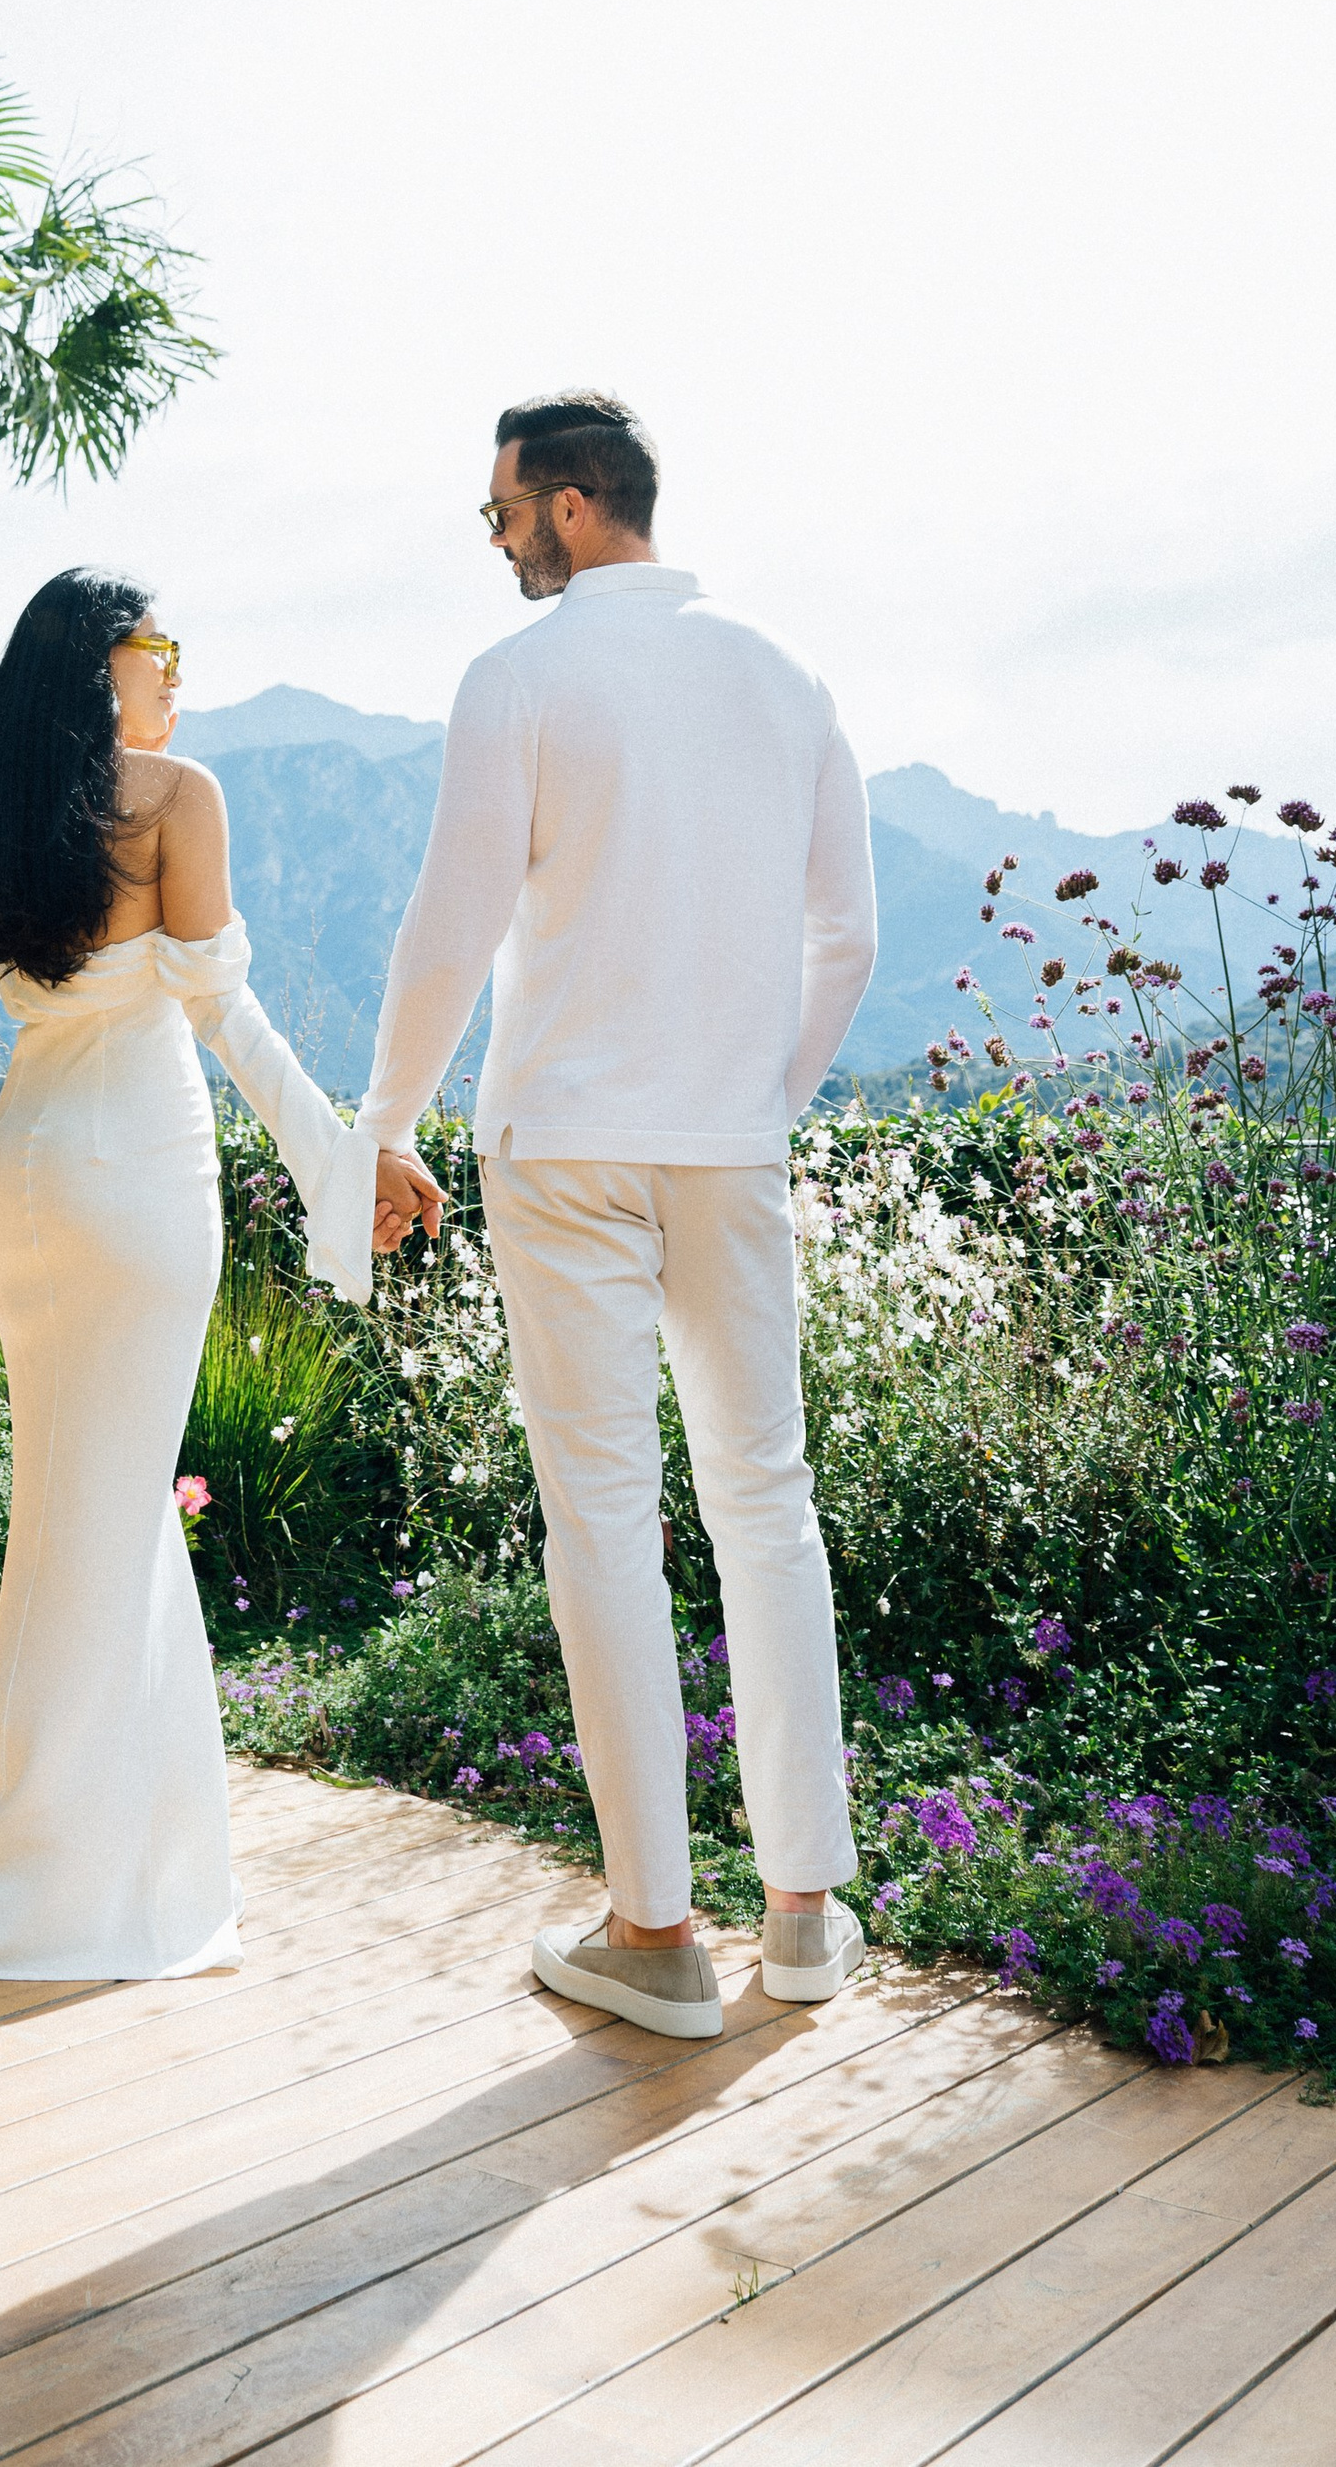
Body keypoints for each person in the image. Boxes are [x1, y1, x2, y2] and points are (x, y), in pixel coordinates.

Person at [360, 390, 876, 2041]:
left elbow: (454, 921)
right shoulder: (789, 675)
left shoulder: (522, 676)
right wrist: (757, 1098)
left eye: (503, 507)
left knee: (606, 1518)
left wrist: (385, 1119)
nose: (497, 534)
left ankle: (656, 1931)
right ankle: (806, 1910)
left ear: (575, 506)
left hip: (565, 1145)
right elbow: (845, 940)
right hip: (727, 1143)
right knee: (766, 1497)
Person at [0, 566, 441, 1981]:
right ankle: (57, 1902)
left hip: (26, 1170)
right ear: (103, 663)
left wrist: (347, 1164)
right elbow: (223, 1009)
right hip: (138, 1181)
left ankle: (65, 1875)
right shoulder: (173, 797)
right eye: (161, 647)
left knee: (73, 1514)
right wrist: (350, 1164)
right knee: (103, 1520)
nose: (179, 674)